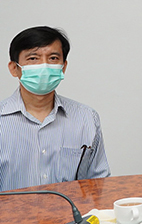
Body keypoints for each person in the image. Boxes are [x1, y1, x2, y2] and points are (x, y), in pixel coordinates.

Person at [0, 26, 110, 191]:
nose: (44, 66)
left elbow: (98, 186)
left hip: (71, 209)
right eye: (33, 58)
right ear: (14, 68)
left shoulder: (86, 118)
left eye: (53, 58)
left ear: (63, 67)